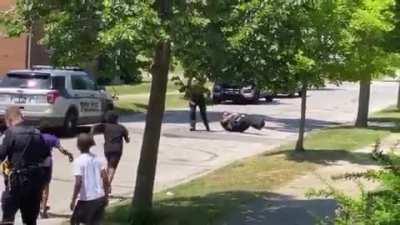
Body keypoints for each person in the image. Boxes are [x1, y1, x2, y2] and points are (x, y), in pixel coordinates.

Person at [0, 106, 50, 225]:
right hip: (35, 183)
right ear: (22, 117)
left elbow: (1, 157)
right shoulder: (37, 133)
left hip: (16, 183)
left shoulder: (10, 133)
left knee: (7, 219)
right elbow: (47, 159)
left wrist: (6, 173)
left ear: (9, 120)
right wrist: (44, 181)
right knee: (30, 221)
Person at [70, 133, 110, 225]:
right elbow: (105, 179)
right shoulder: (98, 159)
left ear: (78, 146)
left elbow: (78, 183)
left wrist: (73, 199)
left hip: (86, 200)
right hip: (99, 198)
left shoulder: (78, 161)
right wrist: (106, 195)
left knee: (74, 221)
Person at [90, 111, 129, 187]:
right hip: (117, 150)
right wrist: (127, 138)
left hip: (107, 149)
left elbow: (94, 127)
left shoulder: (105, 126)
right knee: (112, 169)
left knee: (109, 166)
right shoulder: (122, 127)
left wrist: (91, 136)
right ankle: (106, 187)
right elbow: (127, 140)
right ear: (116, 119)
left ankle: (106, 185)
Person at [40, 133, 74, 218]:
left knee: (37, 186)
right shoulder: (53, 138)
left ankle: (39, 206)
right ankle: (43, 211)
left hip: (35, 164)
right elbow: (61, 149)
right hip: (47, 163)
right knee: (45, 187)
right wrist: (69, 154)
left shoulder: (36, 136)